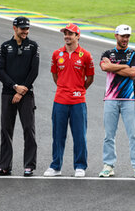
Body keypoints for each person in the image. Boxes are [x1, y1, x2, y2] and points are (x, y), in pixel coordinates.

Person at [43, 23, 94, 177]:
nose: (66, 36)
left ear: (77, 36)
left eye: (70, 34)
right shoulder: (57, 54)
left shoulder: (85, 55)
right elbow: (55, 75)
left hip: (78, 101)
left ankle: (80, 166)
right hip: (60, 100)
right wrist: (64, 88)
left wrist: (79, 90)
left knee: (79, 135)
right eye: (65, 33)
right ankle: (56, 166)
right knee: (58, 135)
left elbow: (90, 78)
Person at [0, 16, 39, 177]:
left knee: (29, 129)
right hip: (8, 93)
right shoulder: (6, 46)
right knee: (6, 130)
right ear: (14, 28)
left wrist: (22, 90)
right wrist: (14, 87)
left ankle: (29, 166)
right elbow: (0, 70)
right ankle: (4, 166)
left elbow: (34, 71)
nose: (25, 31)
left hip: (26, 94)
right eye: (22, 28)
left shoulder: (33, 46)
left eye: (27, 28)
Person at [99, 24, 135, 178]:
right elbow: (104, 68)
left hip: (129, 99)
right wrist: (123, 66)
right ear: (116, 36)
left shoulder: (134, 54)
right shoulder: (107, 53)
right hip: (110, 99)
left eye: (128, 36)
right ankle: (108, 165)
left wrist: (114, 66)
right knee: (109, 135)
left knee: (134, 134)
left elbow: (133, 73)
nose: (125, 39)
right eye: (122, 36)